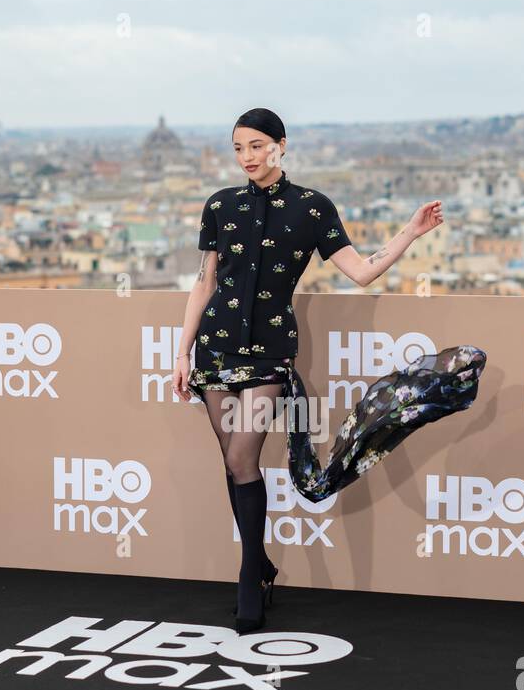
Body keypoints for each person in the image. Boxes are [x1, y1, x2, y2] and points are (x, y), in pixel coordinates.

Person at [171, 108, 486, 634]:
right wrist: (182, 354)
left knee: (244, 454)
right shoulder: (220, 206)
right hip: (216, 351)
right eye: (238, 149)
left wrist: (410, 232)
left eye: (256, 146)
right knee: (232, 462)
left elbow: (361, 271)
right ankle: (262, 564)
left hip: (270, 352)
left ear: (281, 145)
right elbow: (204, 285)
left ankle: (250, 574)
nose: (247, 157)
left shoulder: (312, 208)